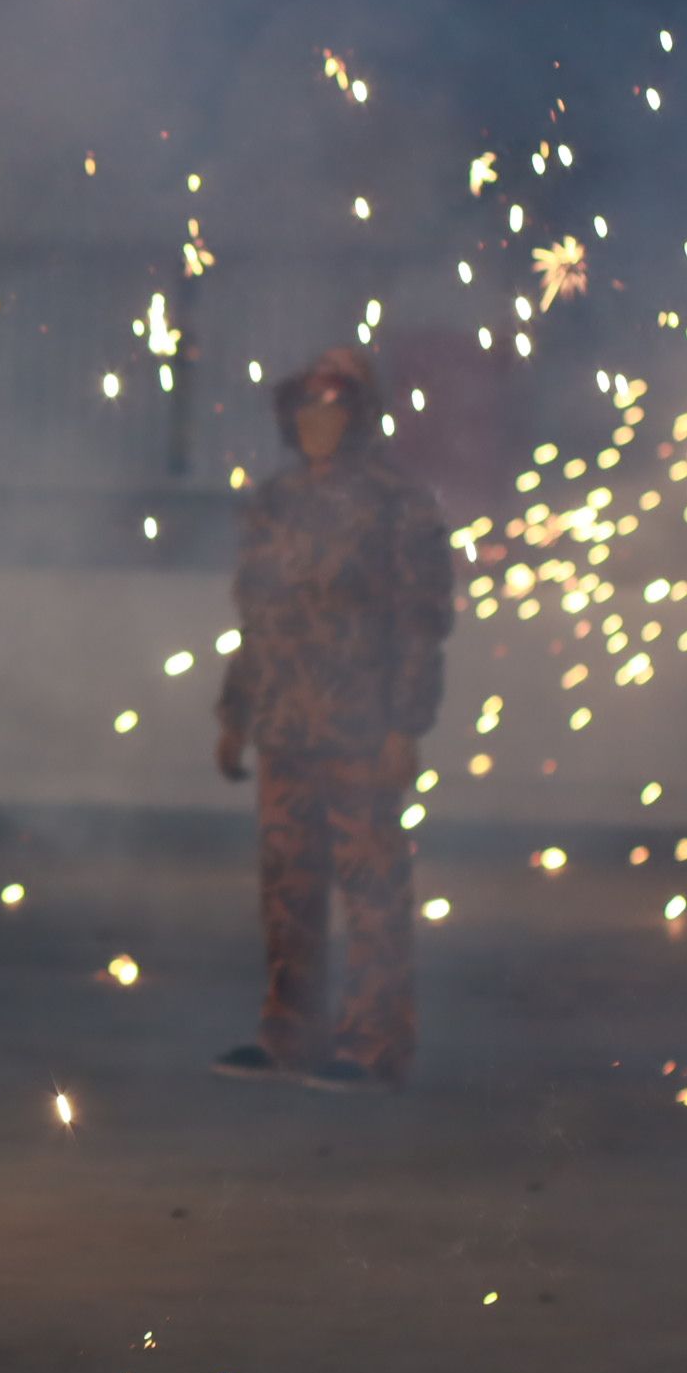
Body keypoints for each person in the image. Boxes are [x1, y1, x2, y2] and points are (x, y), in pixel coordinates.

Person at [212, 345, 454, 1092]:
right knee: (288, 890)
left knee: (374, 894)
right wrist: (236, 713)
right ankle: (290, 1037)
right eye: (309, 407)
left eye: (335, 405)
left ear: (359, 415)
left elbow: (422, 621)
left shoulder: (398, 501)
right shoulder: (275, 500)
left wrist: (404, 727)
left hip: (360, 731)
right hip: (287, 729)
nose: (320, 421)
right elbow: (257, 618)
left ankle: (374, 1047)